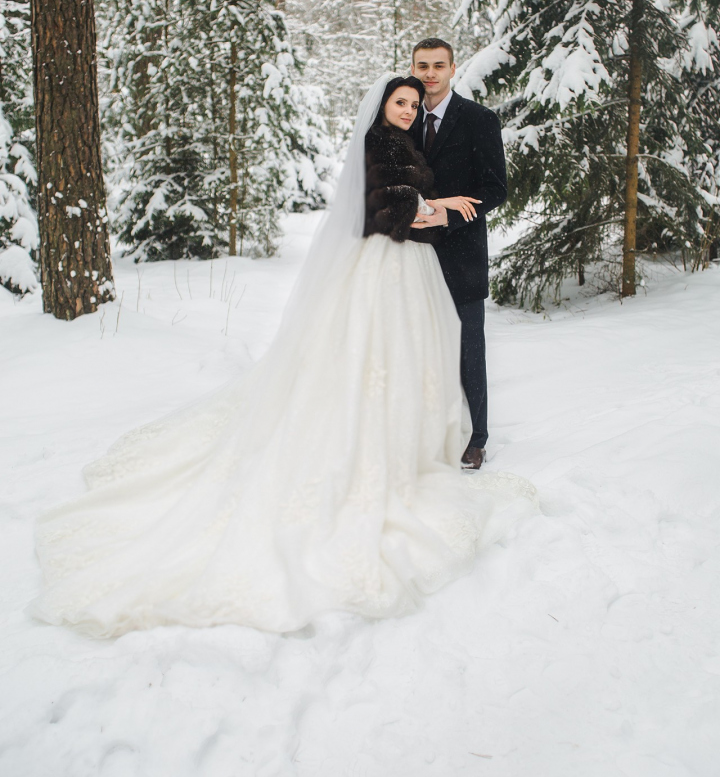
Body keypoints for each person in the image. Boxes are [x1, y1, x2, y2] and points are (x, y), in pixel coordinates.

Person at [29, 74, 534, 638]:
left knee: (400, 360)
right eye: (401, 101)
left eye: (414, 104)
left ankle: (404, 437)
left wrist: (433, 207)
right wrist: (436, 208)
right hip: (385, 267)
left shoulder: (407, 143)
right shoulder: (380, 143)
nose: (409, 109)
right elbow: (387, 212)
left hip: (409, 270)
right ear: (384, 105)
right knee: (368, 358)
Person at [409, 38, 507, 470]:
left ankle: (476, 438)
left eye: (438, 66)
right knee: (418, 347)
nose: (430, 74)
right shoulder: (401, 116)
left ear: (453, 68)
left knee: (468, 347)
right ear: (412, 67)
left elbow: (494, 190)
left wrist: (446, 217)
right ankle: (425, 430)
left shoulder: (479, 120)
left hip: (462, 254)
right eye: (422, 65)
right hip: (409, 255)